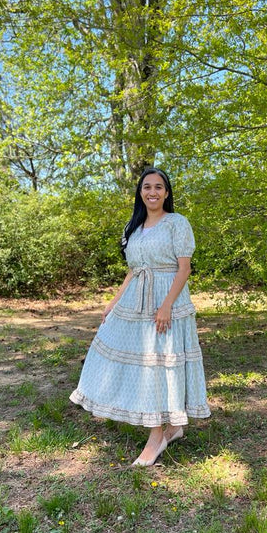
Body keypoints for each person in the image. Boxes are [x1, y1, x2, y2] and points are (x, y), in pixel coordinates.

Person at [70, 167, 210, 466]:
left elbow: (184, 269)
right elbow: (133, 270)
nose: (153, 192)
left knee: (158, 365)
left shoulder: (177, 223)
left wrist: (167, 305)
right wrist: (113, 301)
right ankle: (171, 428)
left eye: (159, 187)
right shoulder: (133, 227)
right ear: (140, 192)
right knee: (134, 359)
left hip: (166, 298)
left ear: (167, 192)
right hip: (136, 299)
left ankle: (157, 435)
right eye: (147, 187)